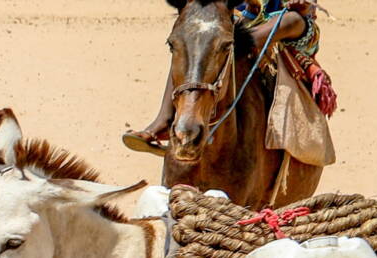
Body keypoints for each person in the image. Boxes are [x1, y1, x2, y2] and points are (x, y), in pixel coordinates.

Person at [126, 0, 329, 155]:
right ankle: (164, 118)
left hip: (285, 28)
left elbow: (306, 10)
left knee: (290, 21)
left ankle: (247, 43)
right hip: (232, 22)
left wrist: (301, 5)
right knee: (192, 42)